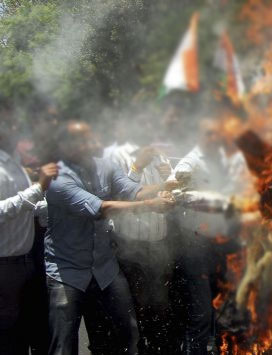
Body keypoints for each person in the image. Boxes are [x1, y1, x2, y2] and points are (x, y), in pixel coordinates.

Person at [45, 121, 175, 355]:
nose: (86, 144)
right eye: (78, 140)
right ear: (63, 144)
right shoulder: (58, 178)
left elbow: (132, 190)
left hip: (104, 269)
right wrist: (150, 205)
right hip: (67, 272)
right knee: (63, 345)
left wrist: (165, 187)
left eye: (88, 138)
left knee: (126, 333)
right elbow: (102, 208)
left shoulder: (105, 165)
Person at [168, 118, 249, 355]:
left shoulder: (226, 158)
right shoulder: (191, 162)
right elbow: (174, 186)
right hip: (197, 245)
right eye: (210, 134)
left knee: (224, 310)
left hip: (224, 243)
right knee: (201, 313)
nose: (216, 138)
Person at [108, 133, 176, 354]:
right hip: (131, 246)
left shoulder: (160, 154)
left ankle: (156, 349)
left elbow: (168, 192)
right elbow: (120, 198)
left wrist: (171, 183)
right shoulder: (115, 155)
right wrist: (137, 167)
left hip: (159, 245)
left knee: (160, 307)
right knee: (136, 310)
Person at [0, 118, 58, 355]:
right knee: (8, 338)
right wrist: (37, 188)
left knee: (31, 330)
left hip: (27, 262)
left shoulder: (13, 163)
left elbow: (28, 210)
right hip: (5, 267)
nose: (15, 129)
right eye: (9, 124)